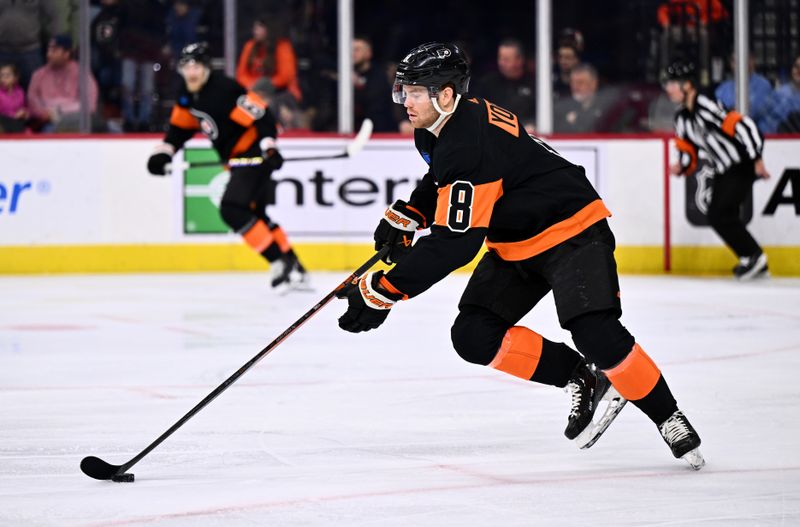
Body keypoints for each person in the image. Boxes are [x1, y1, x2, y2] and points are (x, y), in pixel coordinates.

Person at [337, 42, 705, 470]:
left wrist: (383, 290)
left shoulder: (468, 139)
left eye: (416, 92)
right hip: (518, 241)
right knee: (473, 335)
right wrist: (413, 212)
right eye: (405, 91)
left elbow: (457, 242)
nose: (406, 102)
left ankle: (668, 415)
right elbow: (444, 178)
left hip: (572, 230)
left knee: (594, 331)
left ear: (447, 94)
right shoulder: (441, 127)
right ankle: (581, 375)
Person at [147, 42, 308, 291]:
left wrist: (269, 146)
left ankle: (278, 261)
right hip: (236, 161)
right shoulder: (187, 93)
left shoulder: (224, 89)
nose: (191, 72)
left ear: (206, 68)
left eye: (196, 66)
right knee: (256, 217)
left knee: (232, 209)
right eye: (186, 66)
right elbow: (180, 128)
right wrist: (165, 153)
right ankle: (296, 267)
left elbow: (262, 115)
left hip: (254, 156)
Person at [663, 60, 770, 279]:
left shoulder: (706, 104)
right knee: (717, 215)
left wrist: (756, 158)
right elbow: (688, 149)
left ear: (688, 85)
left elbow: (743, 126)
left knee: (721, 213)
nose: (668, 88)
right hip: (724, 168)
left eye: (674, 83)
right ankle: (751, 257)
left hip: (741, 164)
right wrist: (681, 166)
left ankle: (754, 256)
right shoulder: (682, 117)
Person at [27, 35, 99, 133]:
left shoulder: (81, 73)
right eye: (49, 50)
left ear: (66, 53)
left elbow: (90, 104)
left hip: (76, 121)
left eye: (54, 51)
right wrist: (44, 113)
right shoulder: (38, 75)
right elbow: (32, 101)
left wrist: (60, 111)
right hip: (49, 123)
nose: (49, 54)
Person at [235, 17, 302, 103]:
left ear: (269, 30)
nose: (255, 30)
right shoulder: (250, 46)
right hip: (253, 91)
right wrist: (252, 86)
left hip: (280, 92)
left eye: (260, 27)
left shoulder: (283, 47)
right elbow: (241, 74)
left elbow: (286, 76)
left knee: (263, 88)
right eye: (255, 27)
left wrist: (264, 86)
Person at [476, 38, 536, 133]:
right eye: (500, 58)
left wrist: (533, 124)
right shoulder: (488, 83)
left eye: (506, 59)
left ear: (519, 60)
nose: (501, 63)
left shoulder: (534, 84)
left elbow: (540, 114)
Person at [714, 53, 774, 133]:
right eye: (734, 60)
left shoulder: (764, 86)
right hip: (730, 136)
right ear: (731, 64)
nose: (739, 63)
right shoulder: (721, 90)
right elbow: (717, 115)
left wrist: (732, 112)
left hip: (760, 136)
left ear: (752, 61)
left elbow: (754, 112)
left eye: (743, 59)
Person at [553, 63, 614, 133]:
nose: (575, 87)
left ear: (593, 84)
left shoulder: (607, 108)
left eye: (580, 82)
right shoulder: (560, 108)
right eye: (572, 82)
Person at [352, 36, 396, 133]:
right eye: (350, 50)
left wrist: (357, 88)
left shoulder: (380, 76)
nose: (352, 53)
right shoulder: (343, 77)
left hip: (379, 134)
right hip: (351, 132)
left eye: (357, 50)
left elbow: (375, 106)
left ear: (368, 53)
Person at [0, 62, 29, 133]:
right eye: (1, 75)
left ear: (15, 77)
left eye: (7, 75)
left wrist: (24, 113)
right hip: (3, 123)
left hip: (18, 123)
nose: (4, 78)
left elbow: (25, 107)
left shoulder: (20, 91)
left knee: (28, 132)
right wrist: (13, 115)